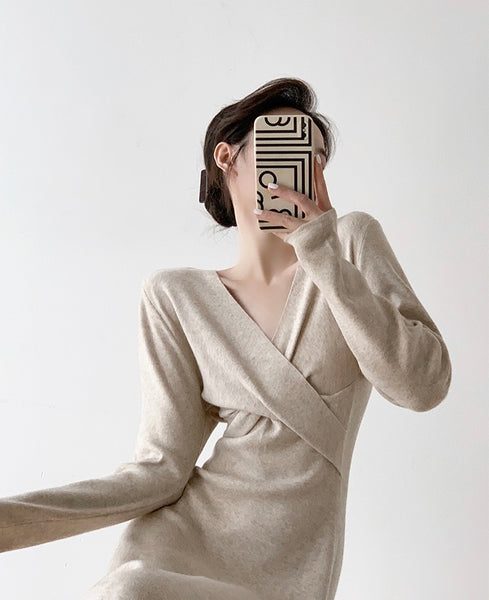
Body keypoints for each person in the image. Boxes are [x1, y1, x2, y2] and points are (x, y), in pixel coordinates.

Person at [0, 77, 452, 600]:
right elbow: (159, 471)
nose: (302, 165)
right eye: (283, 143)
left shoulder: (349, 243)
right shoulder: (176, 296)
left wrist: (320, 249)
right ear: (227, 157)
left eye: (315, 157)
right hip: (178, 543)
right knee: (127, 590)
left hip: (290, 570)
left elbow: (423, 387)